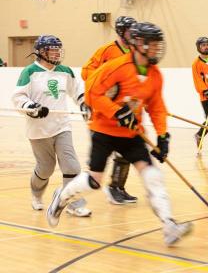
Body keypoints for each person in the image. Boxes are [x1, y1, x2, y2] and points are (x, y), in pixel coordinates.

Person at [46, 23, 193, 247]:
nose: (156, 49)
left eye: (157, 45)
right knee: (95, 181)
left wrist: (163, 136)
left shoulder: (154, 75)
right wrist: (117, 111)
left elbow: (156, 107)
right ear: (137, 45)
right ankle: (62, 197)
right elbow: (92, 94)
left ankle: (169, 225)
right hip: (104, 130)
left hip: (132, 133)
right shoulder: (116, 67)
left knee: (152, 175)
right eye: (151, 45)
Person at [11, 35, 91, 218]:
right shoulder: (30, 72)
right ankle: (36, 195)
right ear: (40, 52)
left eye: (58, 49)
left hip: (62, 127)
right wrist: (32, 108)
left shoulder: (66, 71)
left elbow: (78, 91)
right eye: (52, 49)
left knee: (71, 166)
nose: (56, 53)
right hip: (38, 130)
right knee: (46, 168)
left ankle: (74, 204)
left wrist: (84, 104)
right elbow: (18, 98)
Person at [82, 16, 138, 205]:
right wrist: (106, 83)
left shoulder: (135, 52)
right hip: (105, 110)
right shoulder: (106, 51)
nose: (134, 34)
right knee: (104, 153)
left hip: (125, 108)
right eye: (130, 30)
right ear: (121, 31)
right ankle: (83, 188)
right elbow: (86, 71)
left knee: (125, 152)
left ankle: (117, 187)